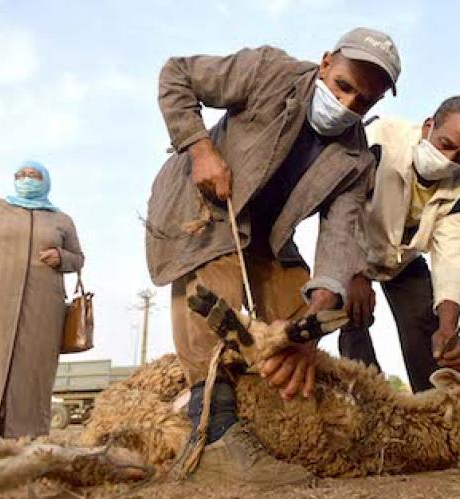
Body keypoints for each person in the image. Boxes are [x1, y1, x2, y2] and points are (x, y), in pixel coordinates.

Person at [146, 28, 400, 484]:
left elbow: (339, 241)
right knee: (215, 297)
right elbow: (177, 75)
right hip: (206, 206)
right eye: (342, 86)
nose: (347, 105)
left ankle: (267, 415)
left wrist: (310, 329)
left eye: (363, 101)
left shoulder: (356, 159)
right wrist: (201, 149)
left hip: (265, 238)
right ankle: (215, 433)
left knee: (302, 317)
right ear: (325, 64)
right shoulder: (267, 71)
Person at [338, 96, 460, 392]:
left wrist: (448, 327)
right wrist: (353, 272)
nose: (450, 159)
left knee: (427, 325)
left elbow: (452, 257)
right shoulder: (378, 138)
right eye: (446, 144)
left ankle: (432, 413)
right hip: (354, 247)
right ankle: (369, 407)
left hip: (403, 261)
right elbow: (343, 203)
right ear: (429, 125)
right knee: (352, 317)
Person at [0, 161, 84, 450]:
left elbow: (79, 258)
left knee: (33, 366)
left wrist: (62, 257)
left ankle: (25, 434)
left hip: (43, 305)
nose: (26, 179)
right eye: (20, 175)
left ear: (45, 181)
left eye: (33, 175)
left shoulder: (61, 219)